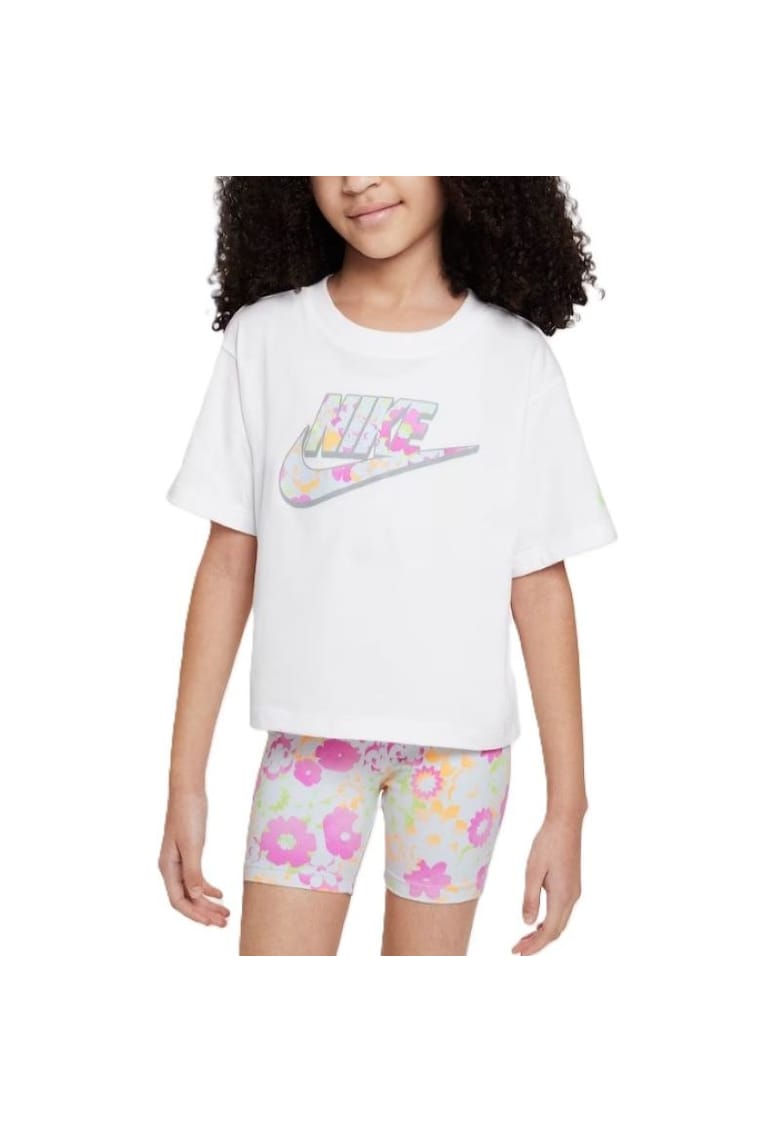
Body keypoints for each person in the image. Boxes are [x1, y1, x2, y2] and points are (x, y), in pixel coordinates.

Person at [158, 176, 618, 956]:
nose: (357, 178)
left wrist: (568, 809)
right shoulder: (266, 340)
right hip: (309, 749)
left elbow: (540, 585)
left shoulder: (515, 359)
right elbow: (229, 561)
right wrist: (185, 782)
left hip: (461, 758)